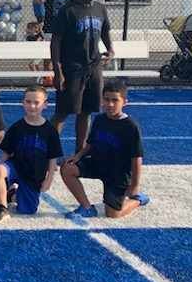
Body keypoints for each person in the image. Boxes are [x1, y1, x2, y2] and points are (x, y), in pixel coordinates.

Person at [61, 80, 149, 219]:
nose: (110, 104)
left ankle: (138, 200)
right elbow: (90, 144)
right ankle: (86, 207)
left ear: (124, 102)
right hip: (98, 164)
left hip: (117, 173)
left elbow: (136, 158)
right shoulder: (100, 119)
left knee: (113, 214)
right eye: (106, 99)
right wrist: (78, 156)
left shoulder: (130, 127)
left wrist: (134, 185)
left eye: (115, 100)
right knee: (67, 168)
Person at [50, 0, 114, 153]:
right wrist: (58, 70)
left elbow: (105, 32)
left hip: (93, 67)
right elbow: (56, 41)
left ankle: (79, 152)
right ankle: (50, 152)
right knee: (63, 112)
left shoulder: (100, 8)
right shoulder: (68, 10)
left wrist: (110, 49)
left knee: (87, 111)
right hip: (72, 69)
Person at [0, 86, 63, 223]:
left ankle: (13, 194)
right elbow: (6, 152)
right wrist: (1, 177)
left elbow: (53, 158)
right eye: (28, 102)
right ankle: (2, 208)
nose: (32, 106)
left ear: (45, 104)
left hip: (34, 175)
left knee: (27, 210)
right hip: (16, 168)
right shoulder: (17, 127)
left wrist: (49, 179)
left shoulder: (50, 131)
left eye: (36, 102)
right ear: (23, 103)